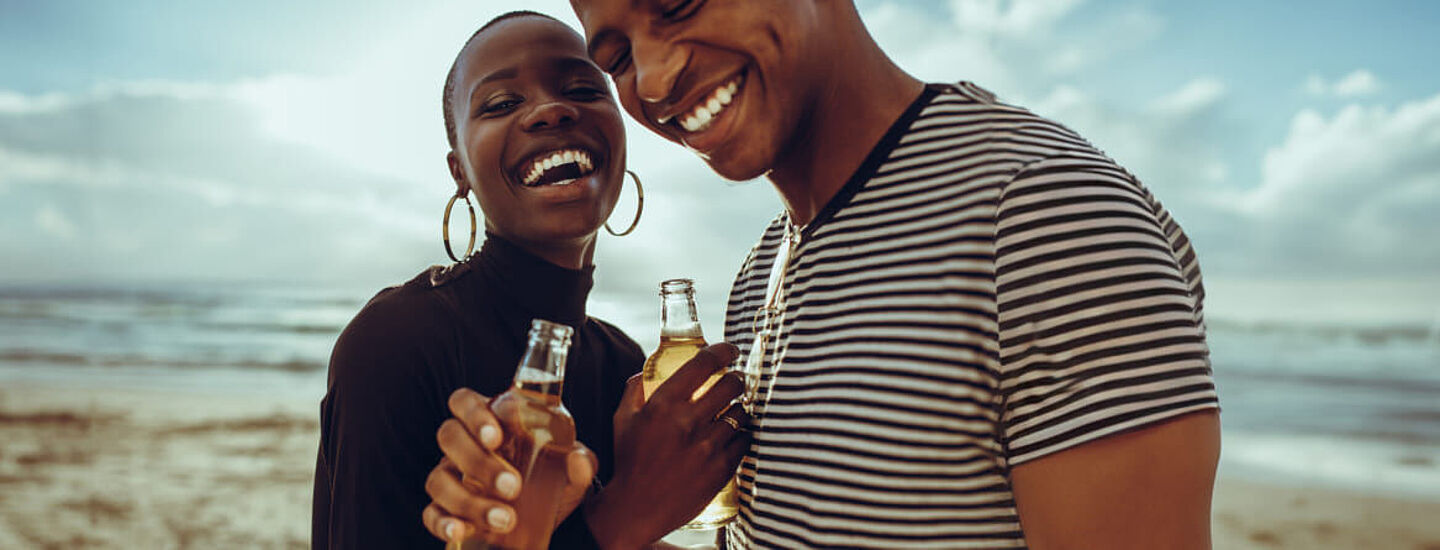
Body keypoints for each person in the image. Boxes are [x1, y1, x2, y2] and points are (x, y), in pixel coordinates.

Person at [435, 1, 1222, 548]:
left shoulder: (1043, 215)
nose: (657, 76)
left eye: (679, 4)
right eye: (617, 58)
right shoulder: (761, 270)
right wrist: (567, 530)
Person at [311, 11, 749, 549]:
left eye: (584, 88)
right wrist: (620, 517)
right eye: (500, 104)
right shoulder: (396, 342)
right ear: (460, 172)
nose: (550, 110)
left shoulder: (622, 366)